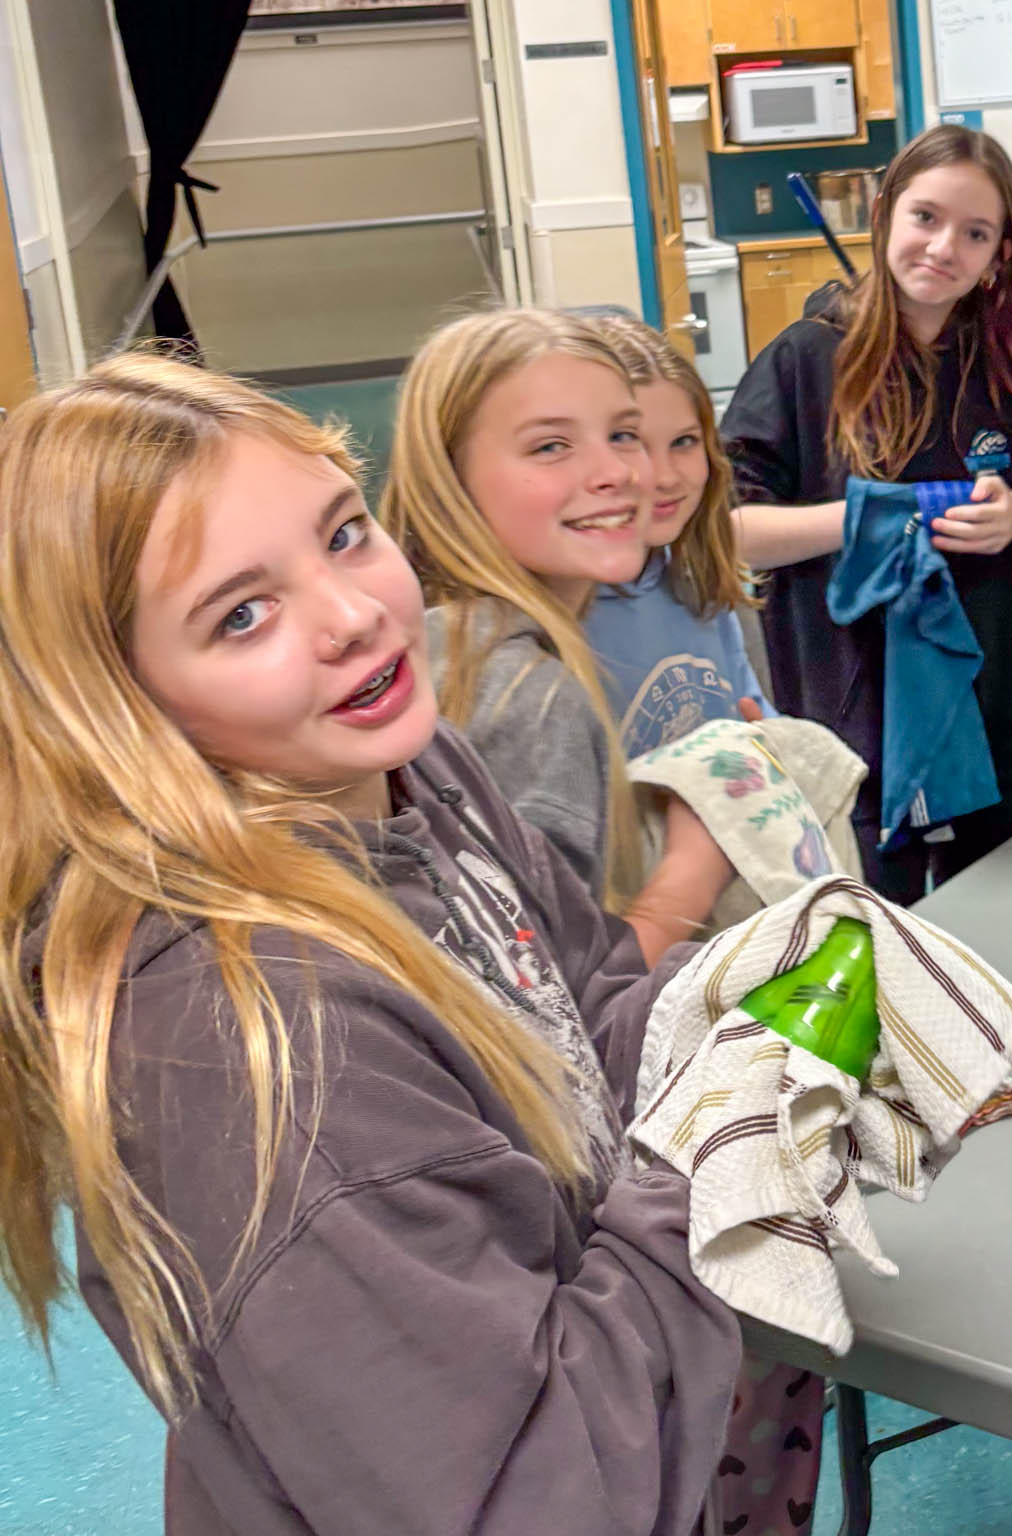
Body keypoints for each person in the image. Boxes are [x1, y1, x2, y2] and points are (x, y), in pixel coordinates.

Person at [0, 354, 742, 1534]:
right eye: (240, 615)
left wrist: (738, 1008)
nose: (355, 616)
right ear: (119, 705)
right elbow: (537, 1505)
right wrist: (726, 1151)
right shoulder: (257, 1048)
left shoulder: (403, 765)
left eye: (344, 534)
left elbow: (582, 999)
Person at [722, 123, 1012, 905]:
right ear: (885, 214)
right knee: (878, 941)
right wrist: (863, 518)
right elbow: (727, 527)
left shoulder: (1010, 361)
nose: (943, 249)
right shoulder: (805, 360)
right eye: (926, 218)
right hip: (852, 729)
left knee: (1005, 938)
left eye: (975, 234)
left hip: (990, 714)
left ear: (1002, 251)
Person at [381, 308, 734, 959]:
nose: (622, 473)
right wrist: (698, 862)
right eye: (551, 446)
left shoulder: (439, 642)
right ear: (450, 480)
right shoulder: (530, 697)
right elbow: (548, 993)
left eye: (623, 434)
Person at [579, 311, 774, 756]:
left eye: (684, 442)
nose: (664, 477)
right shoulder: (554, 620)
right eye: (631, 442)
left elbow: (756, 720)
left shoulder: (701, 584)